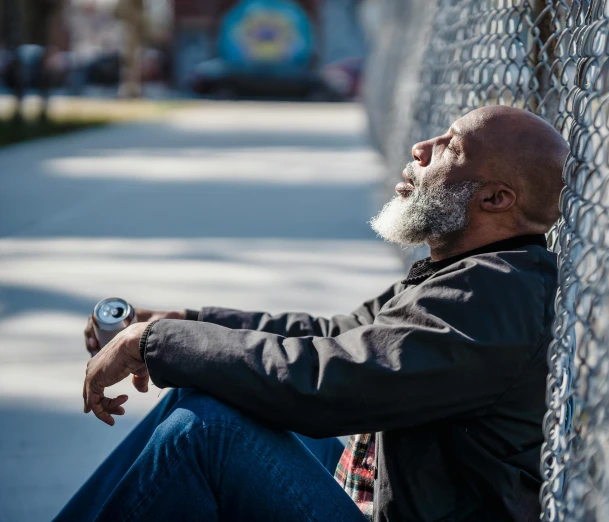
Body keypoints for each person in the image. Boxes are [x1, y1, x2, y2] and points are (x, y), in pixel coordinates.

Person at [56, 106, 568, 522]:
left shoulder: (492, 294)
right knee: (204, 390)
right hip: (380, 487)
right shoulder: (470, 273)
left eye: (452, 148)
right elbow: (335, 335)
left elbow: (326, 381)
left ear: (496, 199)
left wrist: (154, 342)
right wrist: (181, 320)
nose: (422, 149)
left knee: (208, 430)